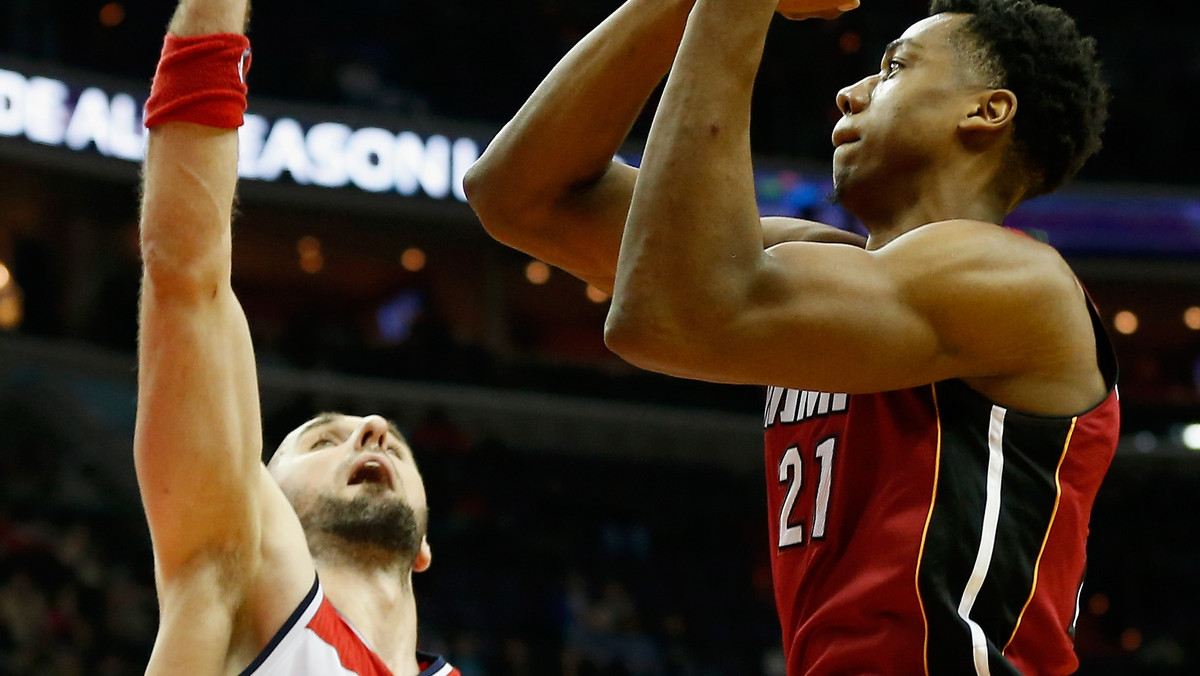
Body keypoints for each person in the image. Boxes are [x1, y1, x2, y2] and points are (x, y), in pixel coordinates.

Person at [464, 0, 1118, 673]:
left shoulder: (1016, 281)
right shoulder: (816, 268)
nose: (850, 90)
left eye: (894, 67)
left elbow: (671, 317)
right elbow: (518, 196)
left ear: (986, 111)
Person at [135, 1, 458, 674]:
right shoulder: (233, 573)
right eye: (319, 440)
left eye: (394, 442)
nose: (371, 426)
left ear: (425, 543)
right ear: (261, 493)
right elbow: (186, 273)